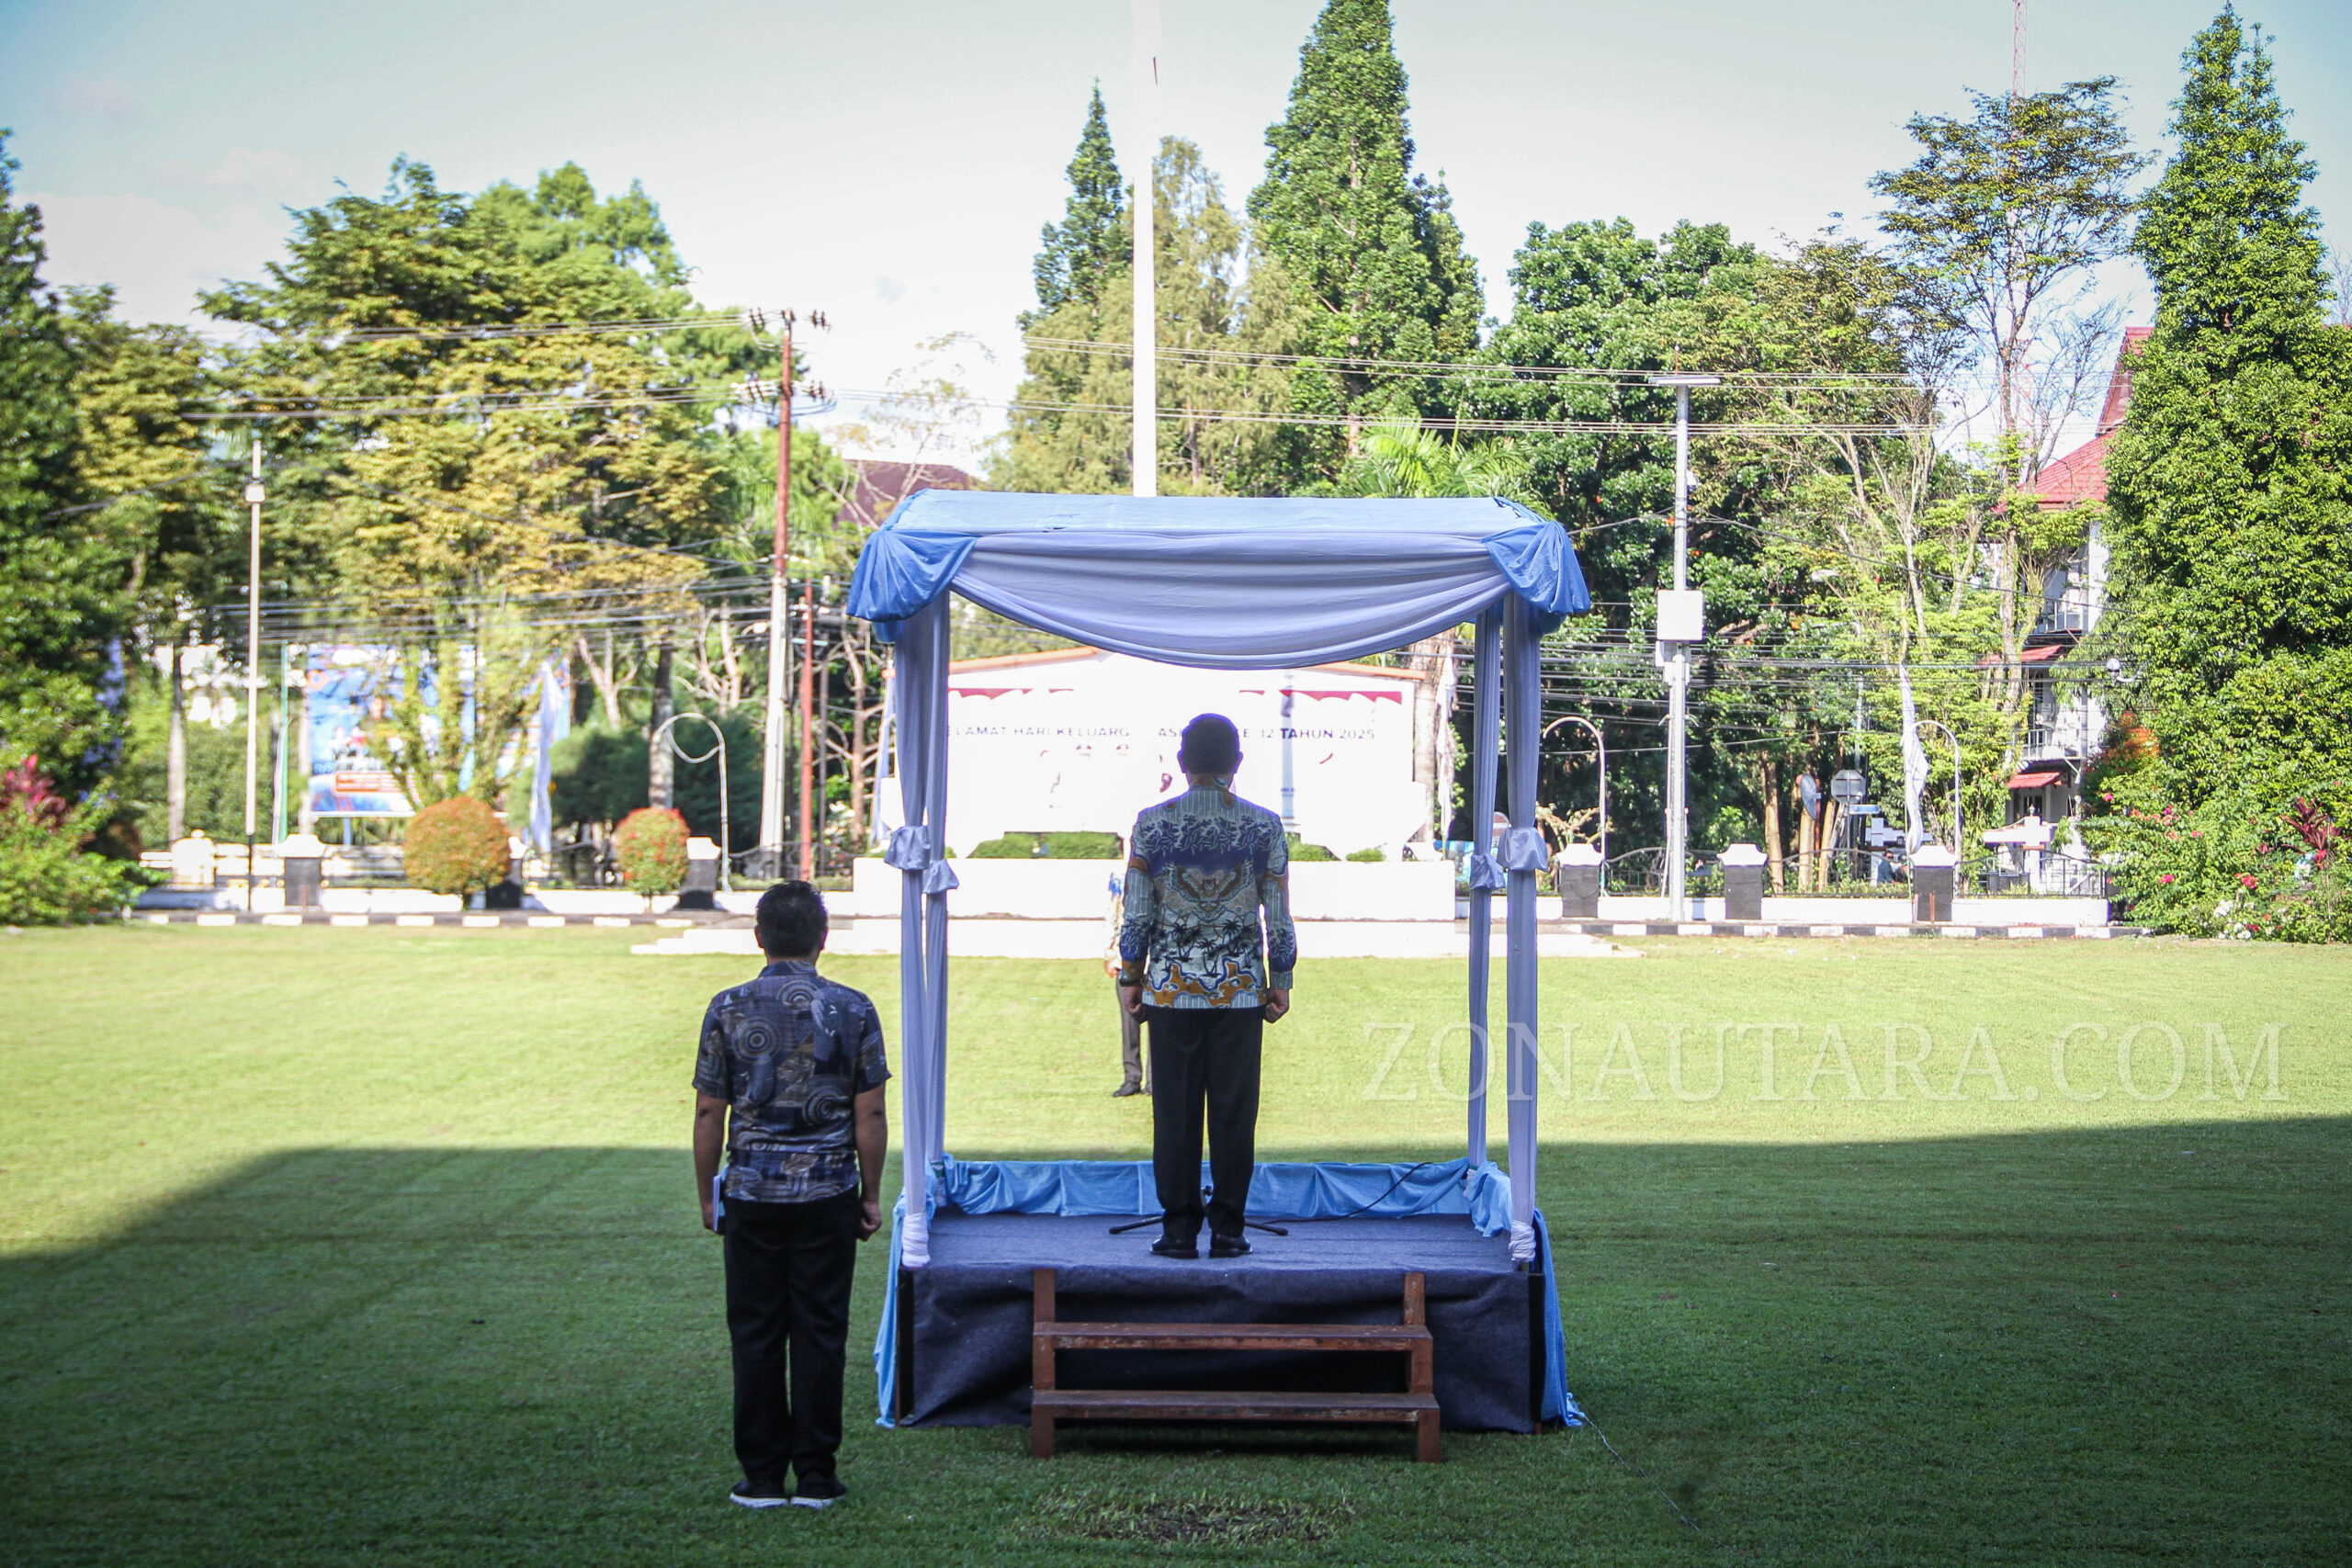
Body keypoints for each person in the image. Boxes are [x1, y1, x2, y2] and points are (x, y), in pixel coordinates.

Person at [692, 881, 888, 1511]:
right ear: (822, 938)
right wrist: (871, 1193)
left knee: (755, 1332)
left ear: (759, 937)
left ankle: (761, 1476)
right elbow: (870, 1111)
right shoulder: (854, 1008)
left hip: (752, 1190)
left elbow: (709, 1110)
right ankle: (818, 1475)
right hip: (828, 1189)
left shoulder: (728, 1007)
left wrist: (709, 1195)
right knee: (820, 1331)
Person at [1116, 713, 1295, 1260]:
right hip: (1240, 991)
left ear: (1182, 762)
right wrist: (1281, 980)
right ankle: (1228, 1230)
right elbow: (1278, 914)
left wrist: (1131, 976)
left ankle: (1178, 1232)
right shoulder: (1264, 826)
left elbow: (1137, 913)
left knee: (1175, 1114)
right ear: (1236, 762)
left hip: (1171, 991)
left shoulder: (1152, 824)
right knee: (1234, 1115)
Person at [1106, 863, 1148, 1097]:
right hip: (1126, 959)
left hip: (1158, 960)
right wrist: (1110, 953)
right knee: (1129, 1022)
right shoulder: (1120, 876)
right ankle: (1132, 1077)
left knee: (1159, 1022)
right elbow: (1112, 914)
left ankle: (1155, 1080)